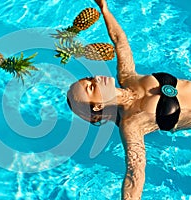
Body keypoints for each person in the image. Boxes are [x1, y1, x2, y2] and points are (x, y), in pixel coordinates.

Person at [67, 0, 191, 199]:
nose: (97, 78)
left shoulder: (127, 77)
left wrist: (104, 8)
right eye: (91, 87)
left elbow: (119, 40)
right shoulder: (131, 124)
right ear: (98, 105)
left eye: (90, 79)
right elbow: (135, 172)